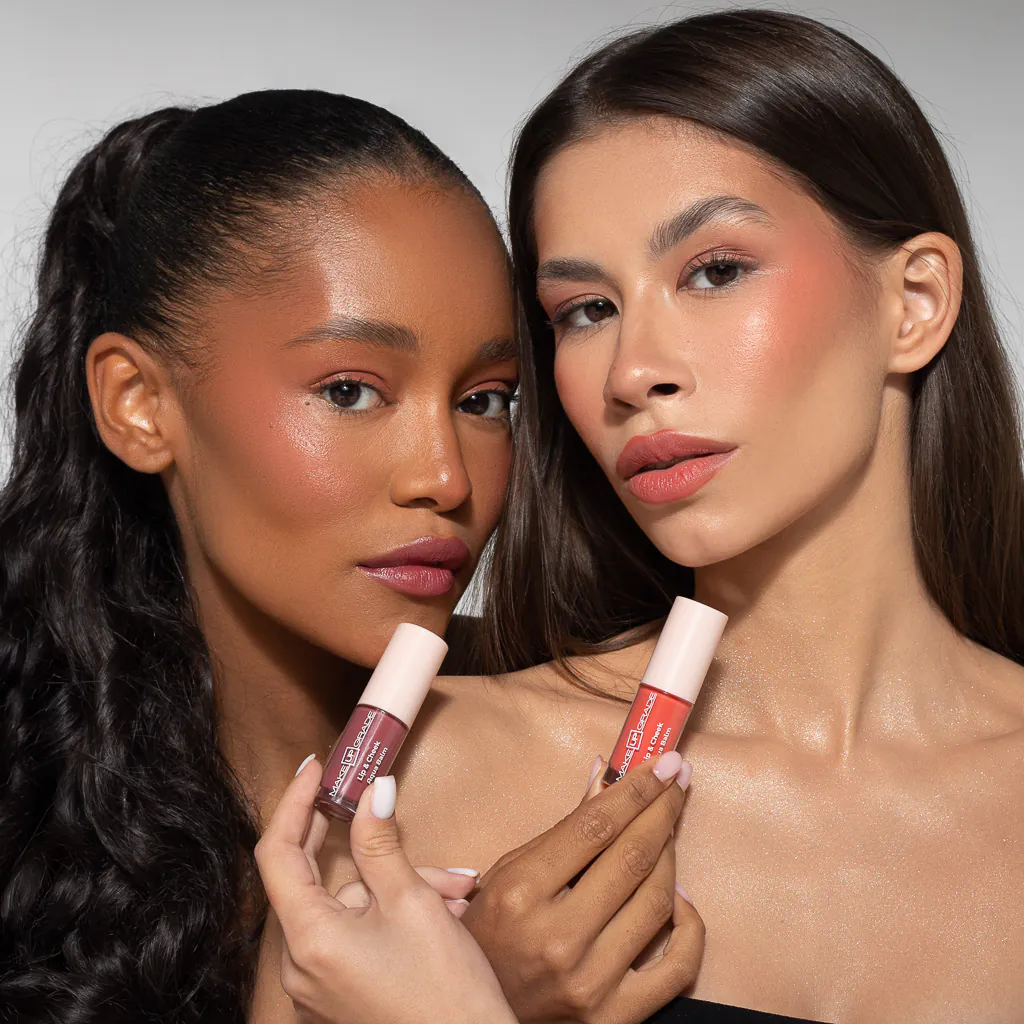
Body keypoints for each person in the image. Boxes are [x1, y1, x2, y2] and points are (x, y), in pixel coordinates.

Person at [0, 89, 702, 1023]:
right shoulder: (26, 785)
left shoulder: (575, 758)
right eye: (350, 391)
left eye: (485, 400)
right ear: (140, 404)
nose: (445, 477)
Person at [478, 8, 1023, 1021]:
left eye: (715, 271)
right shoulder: (438, 769)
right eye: (586, 310)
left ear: (913, 301)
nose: (633, 371)